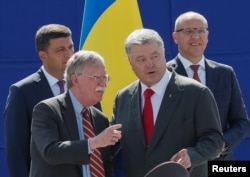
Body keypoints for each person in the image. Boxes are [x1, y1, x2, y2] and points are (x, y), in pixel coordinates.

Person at [110, 28, 224, 177]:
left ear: (164, 54)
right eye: (141, 60)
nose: (150, 64)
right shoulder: (123, 97)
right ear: (130, 63)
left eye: (155, 56)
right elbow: (113, 143)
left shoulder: (196, 93)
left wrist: (192, 155)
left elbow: (215, 140)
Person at [167, 11, 250, 160]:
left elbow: (241, 122)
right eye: (188, 31)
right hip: (179, 163)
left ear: (207, 36)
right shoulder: (164, 75)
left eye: (200, 30)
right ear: (175, 37)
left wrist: (221, 145)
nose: (196, 36)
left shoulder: (225, 73)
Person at [29, 50, 122, 177]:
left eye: (105, 77)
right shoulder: (47, 110)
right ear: (75, 79)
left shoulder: (100, 118)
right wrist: (94, 142)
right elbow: (51, 152)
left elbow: (105, 164)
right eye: (96, 77)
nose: (103, 83)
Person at [4, 24, 74, 177]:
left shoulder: (84, 86)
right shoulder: (22, 92)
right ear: (43, 56)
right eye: (61, 50)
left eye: (71, 47)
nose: (69, 55)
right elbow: (16, 151)